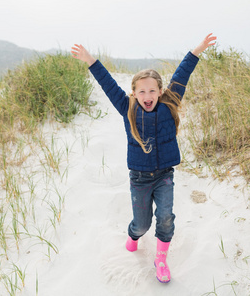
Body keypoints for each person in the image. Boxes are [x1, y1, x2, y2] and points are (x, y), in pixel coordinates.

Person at [71, 33, 217, 283]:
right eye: (142, 91)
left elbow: (182, 75)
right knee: (141, 225)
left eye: (152, 90)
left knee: (166, 218)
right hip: (139, 178)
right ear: (135, 93)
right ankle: (133, 236)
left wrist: (199, 49)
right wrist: (89, 59)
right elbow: (108, 84)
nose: (147, 95)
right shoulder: (127, 108)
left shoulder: (169, 104)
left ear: (160, 92)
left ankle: (161, 259)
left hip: (164, 176)